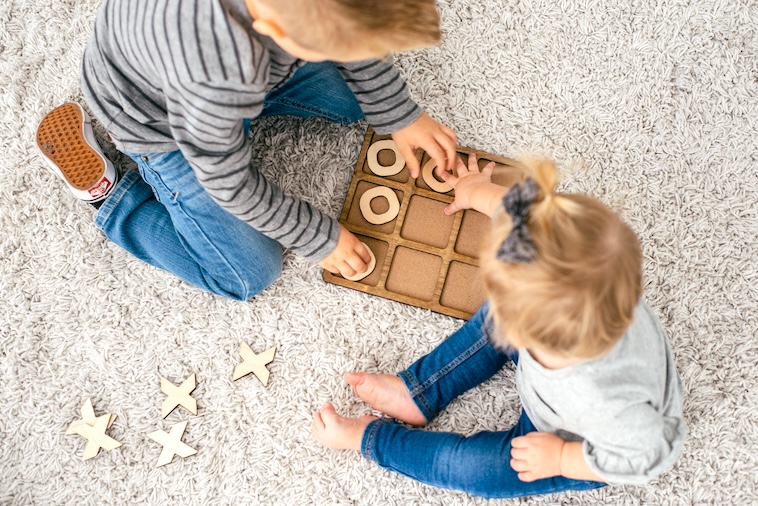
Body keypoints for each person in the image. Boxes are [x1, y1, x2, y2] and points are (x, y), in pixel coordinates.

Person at [312, 154, 687, 499]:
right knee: (496, 316)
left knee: (479, 472)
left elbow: (652, 453)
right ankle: (418, 391)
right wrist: (478, 190)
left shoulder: (606, 403)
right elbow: (524, 217)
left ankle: (371, 438)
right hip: (556, 374)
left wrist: (561, 458)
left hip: (572, 437)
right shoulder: (568, 272)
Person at [35, 0, 457, 300]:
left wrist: (398, 112)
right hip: (160, 126)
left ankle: (269, 97)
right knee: (249, 273)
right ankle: (113, 196)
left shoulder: (282, 21)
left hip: (215, 78)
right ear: (276, 32)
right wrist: (316, 236)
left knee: (357, 98)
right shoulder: (217, 75)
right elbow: (227, 180)